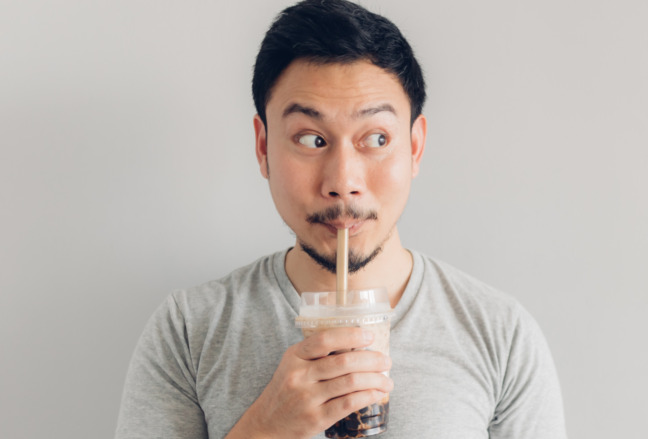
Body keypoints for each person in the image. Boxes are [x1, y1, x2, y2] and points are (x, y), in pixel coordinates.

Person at [115, 1, 567, 438]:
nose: (343, 181)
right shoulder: (188, 330)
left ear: (414, 148)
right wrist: (267, 430)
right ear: (263, 147)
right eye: (311, 139)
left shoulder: (500, 334)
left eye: (375, 138)